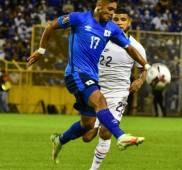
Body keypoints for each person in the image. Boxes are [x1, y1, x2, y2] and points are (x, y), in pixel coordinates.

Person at [27, 0, 150, 163]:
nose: (113, 13)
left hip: (92, 77)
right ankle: (121, 136)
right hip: (75, 73)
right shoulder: (78, 18)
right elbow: (51, 26)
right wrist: (41, 50)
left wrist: (146, 65)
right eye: (110, 9)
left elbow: (129, 48)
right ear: (100, 5)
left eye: (115, 10)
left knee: (88, 124)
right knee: (101, 100)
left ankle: (59, 140)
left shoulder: (111, 28)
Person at [79, 8, 147, 170]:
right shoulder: (99, 39)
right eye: (116, 19)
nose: (119, 22)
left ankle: (93, 169)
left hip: (119, 92)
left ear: (129, 23)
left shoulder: (136, 46)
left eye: (123, 19)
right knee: (87, 136)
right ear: (110, 21)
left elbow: (144, 67)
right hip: (96, 89)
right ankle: (88, 125)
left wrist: (140, 80)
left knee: (106, 132)